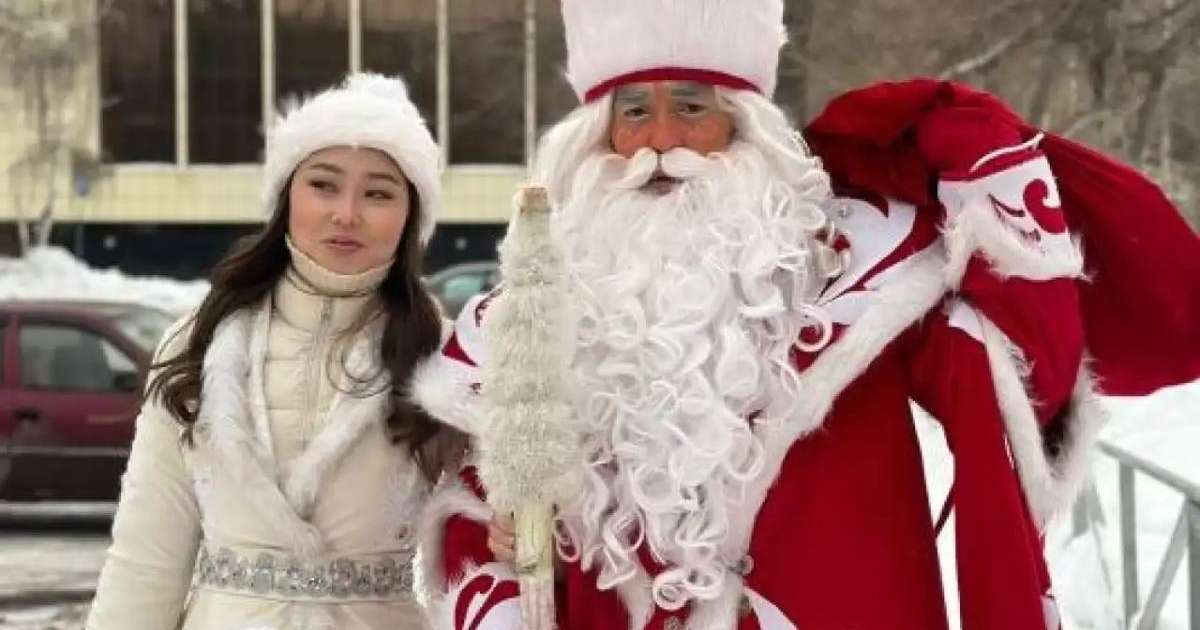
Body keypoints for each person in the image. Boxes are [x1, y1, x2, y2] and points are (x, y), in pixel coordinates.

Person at [409, 2, 1200, 628]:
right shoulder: (530, 320)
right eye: (634, 112)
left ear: (745, 129)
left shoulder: (862, 270)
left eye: (691, 107)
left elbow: (1022, 374)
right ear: (599, 137)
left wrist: (972, 155)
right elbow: (473, 513)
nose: (659, 142)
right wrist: (508, 549)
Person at [87, 73, 461, 630]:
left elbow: (487, 535)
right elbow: (146, 558)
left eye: (378, 193)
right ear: (287, 194)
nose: (347, 213)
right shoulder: (199, 341)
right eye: (324, 185)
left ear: (411, 214)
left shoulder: (444, 358)